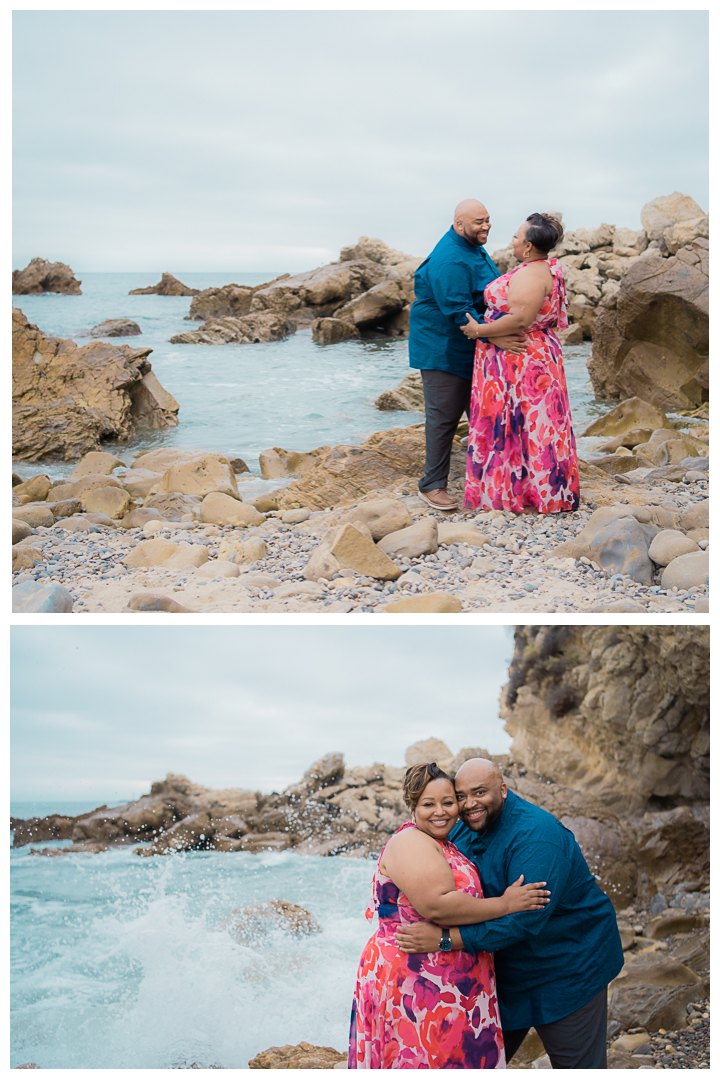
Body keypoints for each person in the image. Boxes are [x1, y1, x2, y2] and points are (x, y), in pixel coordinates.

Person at [394, 758, 624, 1069]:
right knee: (475, 1064)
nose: (469, 804)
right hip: (503, 972)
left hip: (569, 966)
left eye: (480, 793)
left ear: (503, 789)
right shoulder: (462, 828)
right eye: (460, 796)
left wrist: (445, 940)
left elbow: (524, 922)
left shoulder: (537, 837)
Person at [348, 762, 551, 1069]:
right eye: (428, 804)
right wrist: (506, 904)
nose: (440, 811)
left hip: (447, 982)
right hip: (415, 981)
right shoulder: (410, 842)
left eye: (448, 802)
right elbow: (437, 905)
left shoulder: (444, 842)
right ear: (412, 806)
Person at [408, 200, 525, 512]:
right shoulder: (450, 260)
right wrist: (498, 334)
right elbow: (459, 313)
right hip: (442, 346)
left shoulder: (471, 244)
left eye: (488, 220)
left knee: (484, 413)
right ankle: (432, 485)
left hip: (473, 342)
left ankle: (494, 479)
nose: (486, 226)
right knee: (444, 418)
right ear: (459, 224)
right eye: (478, 222)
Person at [461, 213, 580, 513]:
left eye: (516, 236)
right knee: (528, 423)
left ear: (527, 246)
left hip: (524, 359)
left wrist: (479, 331)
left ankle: (528, 495)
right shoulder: (541, 267)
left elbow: (520, 319)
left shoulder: (531, 274)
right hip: (527, 354)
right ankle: (529, 491)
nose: (512, 240)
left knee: (528, 423)